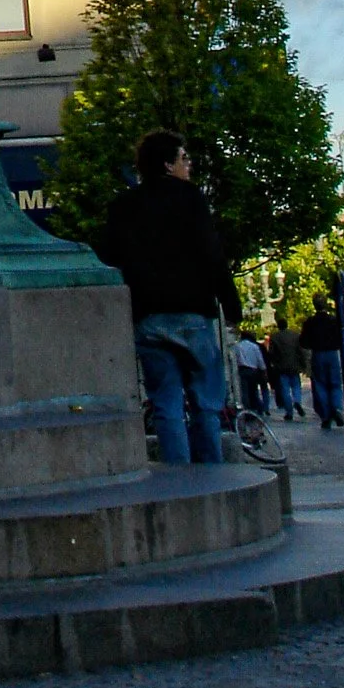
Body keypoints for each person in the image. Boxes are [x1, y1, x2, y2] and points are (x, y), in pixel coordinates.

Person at [101, 129, 241, 466]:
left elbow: (107, 254)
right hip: (193, 310)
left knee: (166, 404)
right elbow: (211, 252)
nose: (188, 165)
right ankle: (211, 474)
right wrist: (230, 301)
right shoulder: (190, 198)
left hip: (149, 315)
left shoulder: (125, 206)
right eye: (183, 158)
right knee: (206, 403)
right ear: (168, 164)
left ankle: (179, 479)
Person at [300, 298, 344, 430]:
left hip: (318, 354)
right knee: (335, 383)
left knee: (320, 385)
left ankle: (326, 415)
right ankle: (336, 407)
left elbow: (303, 341)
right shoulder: (333, 320)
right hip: (332, 353)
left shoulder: (310, 322)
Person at [266, 312, 306, 419]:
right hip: (294, 365)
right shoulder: (295, 335)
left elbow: (271, 353)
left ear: (278, 326)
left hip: (281, 367)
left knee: (285, 389)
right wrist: (303, 364)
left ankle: (289, 412)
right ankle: (297, 400)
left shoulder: (274, 337)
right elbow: (300, 351)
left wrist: (272, 363)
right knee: (296, 385)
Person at [234, 328, 270, 415]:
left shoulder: (237, 346)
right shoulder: (254, 346)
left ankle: (247, 410)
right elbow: (260, 360)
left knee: (244, 391)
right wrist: (263, 371)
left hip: (242, 370)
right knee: (254, 391)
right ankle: (259, 407)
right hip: (253, 371)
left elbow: (236, 359)